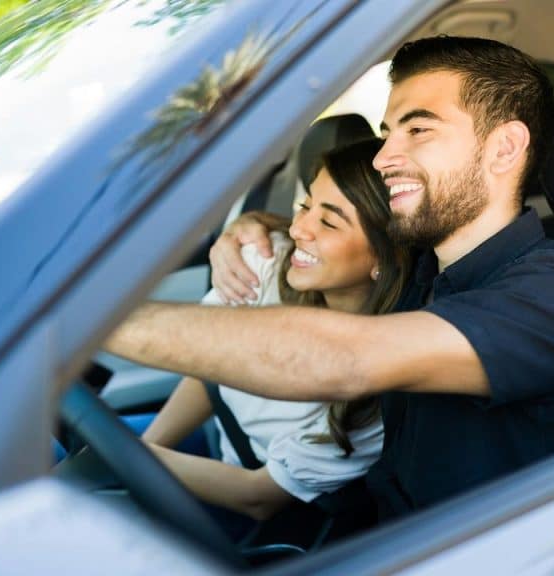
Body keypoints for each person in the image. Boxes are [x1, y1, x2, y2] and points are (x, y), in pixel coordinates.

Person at [107, 36, 554, 520]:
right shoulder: (421, 271)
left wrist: (92, 322)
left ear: (504, 148)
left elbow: (342, 360)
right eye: (389, 133)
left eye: (418, 130)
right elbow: (337, 246)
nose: (385, 157)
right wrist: (255, 227)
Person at [135, 138, 410, 533]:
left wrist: (138, 460)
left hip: (246, 509)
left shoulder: (377, 397)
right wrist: (149, 445)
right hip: (203, 445)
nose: (298, 228)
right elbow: (209, 367)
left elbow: (256, 497)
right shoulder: (265, 263)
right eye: (305, 206)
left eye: (329, 222)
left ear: (383, 258)